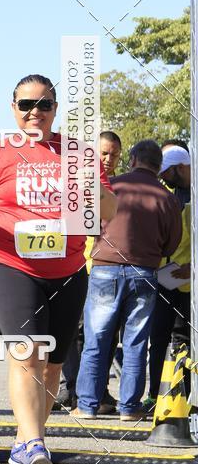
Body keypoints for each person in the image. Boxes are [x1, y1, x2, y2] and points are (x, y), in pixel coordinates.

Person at [0, 74, 116, 464]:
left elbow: (109, 208)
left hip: (68, 271)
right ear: (13, 108)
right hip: (13, 266)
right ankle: (33, 443)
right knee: (28, 351)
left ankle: (25, 439)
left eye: (43, 105)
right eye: (26, 105)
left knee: (52, 365)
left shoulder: (79, 153)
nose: (34, 112)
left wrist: (94, 191)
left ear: (55, 110)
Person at [74, 140, 182, 422]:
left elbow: (87, 225)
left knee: (96, 339)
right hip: (144, 273)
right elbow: (171, 246)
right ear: (158, 167)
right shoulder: (167, 198)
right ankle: (130, 408)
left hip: (104, 269)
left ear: (132, 159)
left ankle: (87, 405)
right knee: (136, 342)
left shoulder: (110, 187)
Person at [58, 131, 123, 412]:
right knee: (72, 333)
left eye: (114, 155)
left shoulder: (116, 189)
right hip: (77, 267)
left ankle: (97, 391)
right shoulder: (76, 185)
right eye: (104, 153)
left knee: (102, 333)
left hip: (104, 270)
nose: (108, 159)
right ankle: (70, 387)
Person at [145, 144, 192, 408]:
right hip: (165, 280)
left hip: (190, 284)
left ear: (181, 167)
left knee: (184, 339)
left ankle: (183, 394)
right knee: (159, 335)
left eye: (167, 173)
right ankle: (156, 393)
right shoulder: (170, 196)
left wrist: (192, 269)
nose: (162, 178)